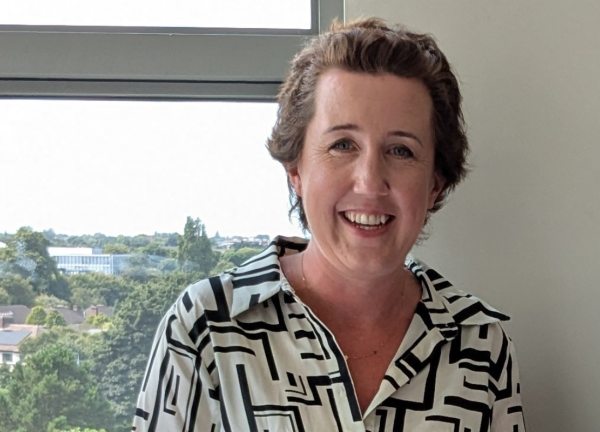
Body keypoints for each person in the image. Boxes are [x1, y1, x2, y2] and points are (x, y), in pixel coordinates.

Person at [133, 18, 525, 432]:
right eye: (342, 145)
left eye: (401, 150)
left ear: (435, 184)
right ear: (295, 170)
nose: (370, 182)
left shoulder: (480, 345)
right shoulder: (208, 327)